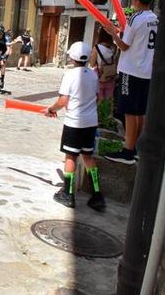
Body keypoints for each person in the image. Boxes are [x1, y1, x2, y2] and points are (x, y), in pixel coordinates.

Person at [45, 42, 106, 212]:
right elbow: (98, 97)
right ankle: (97, 194)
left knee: (71, 156)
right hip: (90, 121)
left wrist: (51, 109)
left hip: (74, 122)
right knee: (88, 157)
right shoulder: (93, 75)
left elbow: (63, 101)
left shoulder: (70, 75)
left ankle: (68, 194)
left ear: (72, 57)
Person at [104, 0, 158, 165]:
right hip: (146, 71)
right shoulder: (154, 19)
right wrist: (122, 32)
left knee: (129, 111)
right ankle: (135, 148)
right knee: (139, 112)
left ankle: (127, 150)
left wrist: (113, 33)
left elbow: (124, 45)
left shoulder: (136, 18)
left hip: (131, 70)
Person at [89, 27, 117, 104]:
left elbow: (92, 64)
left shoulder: (97, 48)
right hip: (111, 76)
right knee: (109, 100)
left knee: (99, 100)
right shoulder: (114, 47)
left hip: (99, 76)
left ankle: (99, 115)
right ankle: (107, 115)